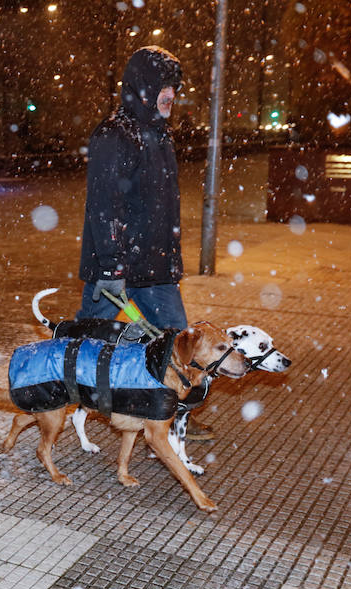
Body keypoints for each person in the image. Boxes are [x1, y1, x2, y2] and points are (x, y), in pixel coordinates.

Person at [76, 46, 212, 440]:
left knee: (179, 346)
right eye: (162, 87)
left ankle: (174, 416)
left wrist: (170, 257)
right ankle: (69, 398)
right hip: (114, 265)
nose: (170, 95)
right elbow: (105, 205)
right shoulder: (113, 134)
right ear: (141, 89)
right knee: (90, 340)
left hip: (155, 268)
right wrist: (110, 268)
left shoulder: (157, 133)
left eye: (173, 87)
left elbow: (158, 207)